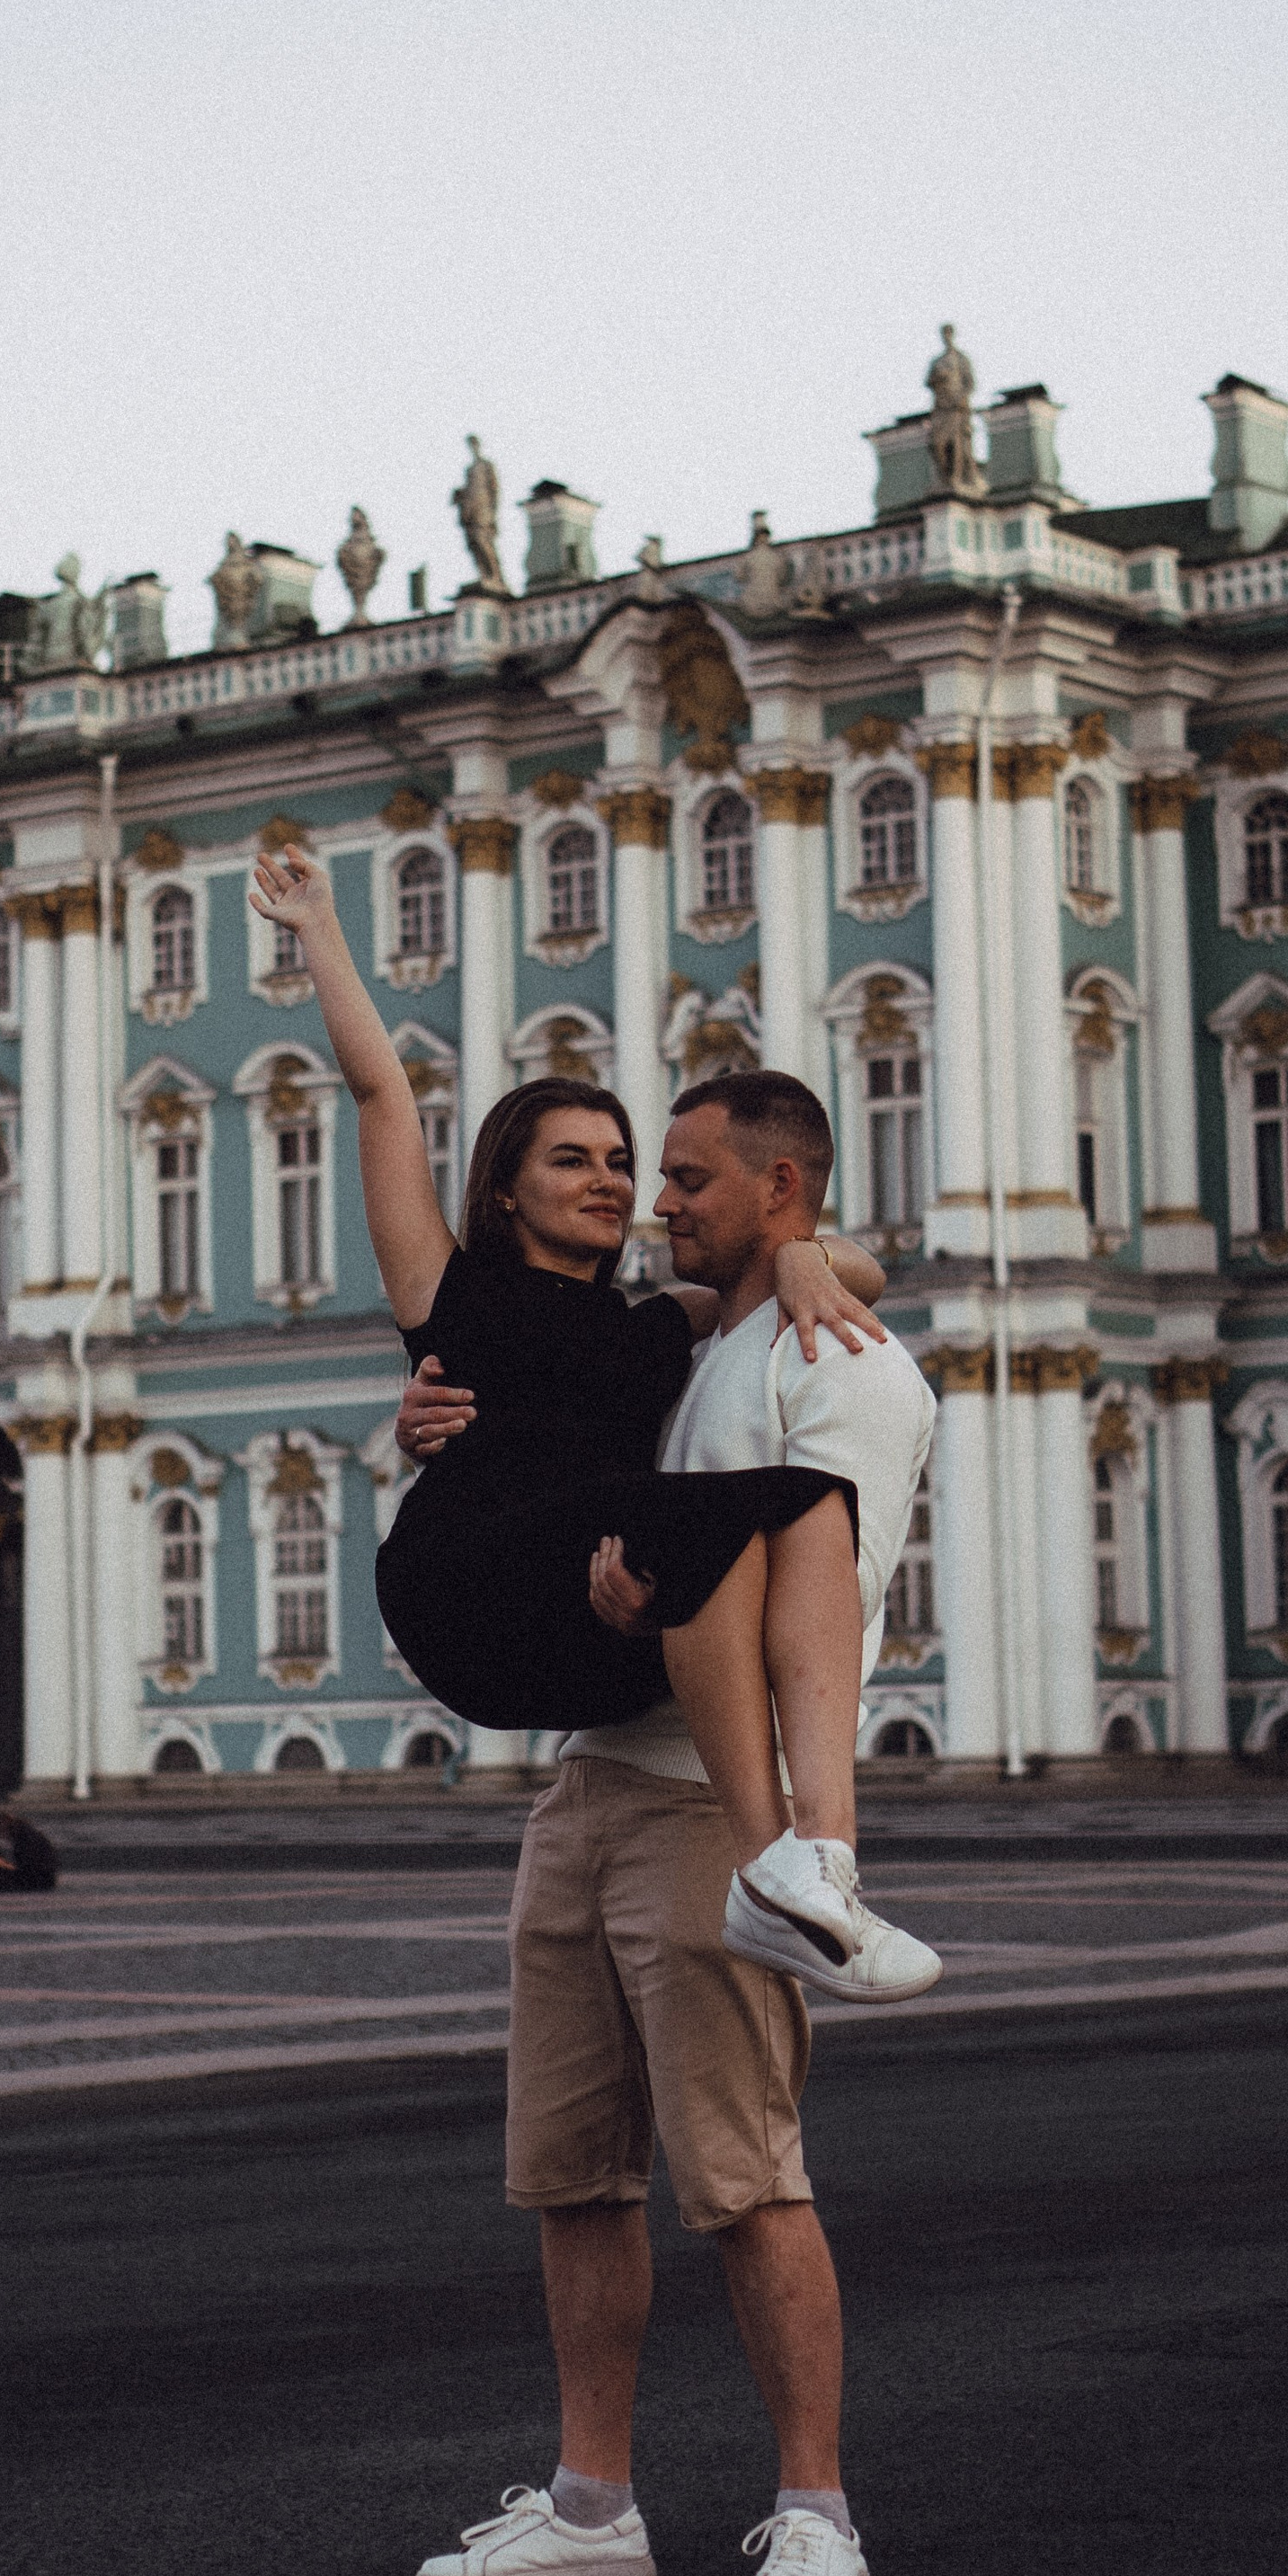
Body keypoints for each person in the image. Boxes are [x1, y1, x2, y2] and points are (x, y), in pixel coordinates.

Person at [401, 1069, 937, 2576]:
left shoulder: (843, 1363)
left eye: (688, 1179)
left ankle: (817, 2515)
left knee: (745, 2179)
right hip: (585, 1796)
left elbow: (819, 1582)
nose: (657, 1205)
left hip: (715, 1800)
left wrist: (833, 1273)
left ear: (777, 1190)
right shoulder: (697, 1344)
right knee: (573, 2174)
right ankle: (591, 2507)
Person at [247, 840, 939, 2001]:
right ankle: (780, 1863)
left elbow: (789, 1263)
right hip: (467, 1578)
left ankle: (816, 1863)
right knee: (762, 1512)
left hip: (587, 1612)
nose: (613, 1181)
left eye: (625, 1162)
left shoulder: (653, 1323)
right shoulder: (450, 1291)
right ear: (505, 1185)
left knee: (809, 1508)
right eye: (573, 1159)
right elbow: (380, 1097)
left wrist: (817, 1255)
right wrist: (319, 929)